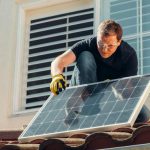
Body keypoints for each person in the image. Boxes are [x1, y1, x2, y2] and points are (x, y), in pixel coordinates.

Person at [50, 19, 138, 95]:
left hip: (109, 93)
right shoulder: (88, 44)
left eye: (110, 46)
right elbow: (58, 61)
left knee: (142, 112)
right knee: (85, 56)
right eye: (100, 44)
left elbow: (128, 88)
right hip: (80, 91)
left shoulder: (128, 55)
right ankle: (86, 97)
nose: (104, 49)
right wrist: (57, 76)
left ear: (119, 42)